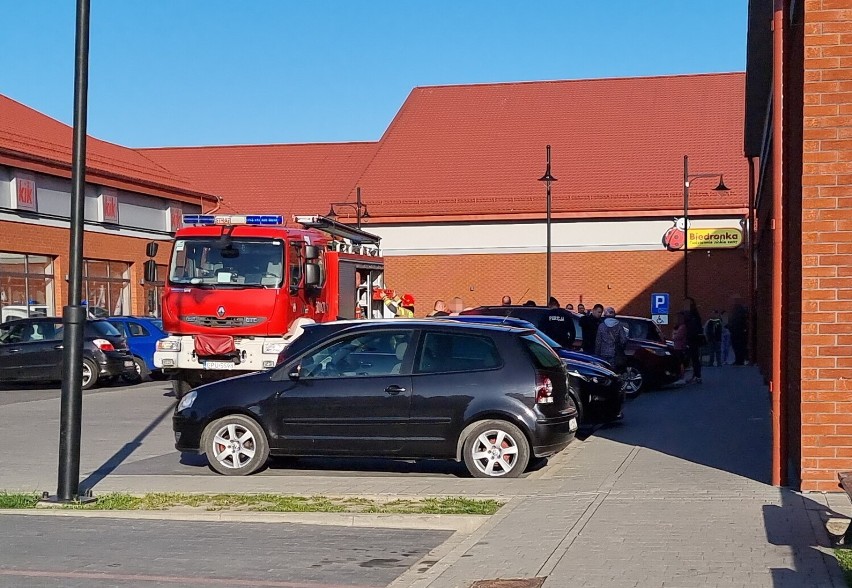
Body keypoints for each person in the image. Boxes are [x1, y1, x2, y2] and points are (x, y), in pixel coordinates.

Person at [594, 307, 629, 371]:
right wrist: (621, 348)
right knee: (613, 371)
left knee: (603, 371)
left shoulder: (601, 326)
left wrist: (597, 354)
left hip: (603, 353)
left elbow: (598, 341)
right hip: (614, 353)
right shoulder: (619, 325)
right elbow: (623, 340)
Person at [682, 297, 704, 383]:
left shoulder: (691, 315)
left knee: (691, 358)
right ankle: (696, 376)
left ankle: (696, 376)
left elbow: (691, 327)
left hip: (692, 339)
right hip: (692, 339)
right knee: (694, 358)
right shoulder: (693, 314)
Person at [728, 297, 749, 365]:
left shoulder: (738, 311)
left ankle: (739, 360)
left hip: (738, 332)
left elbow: (737, 321)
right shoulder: (737, 310)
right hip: (736, 332)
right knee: (737, 347)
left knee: (738, 347)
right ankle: (739, 360)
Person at [671, 312, 689, 382]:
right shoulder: (679, 327)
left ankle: (682, 378)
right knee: (679, 362)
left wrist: (674, 335)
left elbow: (677, 337)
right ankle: (680, 377)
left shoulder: (683, 327)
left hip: (680, 347)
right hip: (677, 347)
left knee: (680, 363)